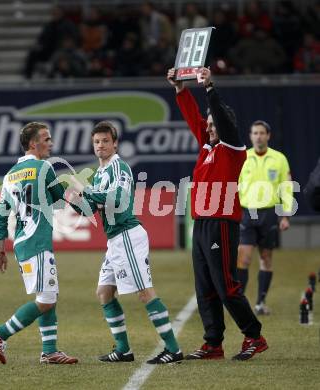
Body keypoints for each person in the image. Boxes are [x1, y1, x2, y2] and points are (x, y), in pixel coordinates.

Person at [167, 67, 267, 361]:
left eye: (213, 125)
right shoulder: (207, 148)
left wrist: (209, 88)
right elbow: (193, 118)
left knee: (226, 285)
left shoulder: (233, 149)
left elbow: (219, 119)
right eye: (208, 126)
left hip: (222, 223)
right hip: (201, 224)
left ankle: (254, 336)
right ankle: (213, 343)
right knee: (205, 287)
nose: (208, 128)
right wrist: (181, 90)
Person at [69, 121, 183, 364]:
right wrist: (73, 200)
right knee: (104, 293)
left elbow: (117, 198)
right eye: (97, 142)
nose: (101, 146)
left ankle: (173, 349)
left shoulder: (119, 167)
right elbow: (92, 208)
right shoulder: (100, 173)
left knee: (144, 292)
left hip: (127, 236)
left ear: (115, 143)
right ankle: (123, 350)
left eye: (105, 141)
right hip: (115, 240)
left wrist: (86, 191)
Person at [0, 122, 78, 365]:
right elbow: (61, 197)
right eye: (46, 139)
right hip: (37, 241)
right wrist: (87, 197)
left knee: (48, 294)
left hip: (22, 243)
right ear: (33, 144)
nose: (51, 143)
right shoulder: (43, 167)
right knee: (46, 299)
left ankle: (49, 351)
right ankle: (1, 333)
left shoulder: (9, 176)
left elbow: (1, 216)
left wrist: (0, 250)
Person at [237, 121, 292, 315]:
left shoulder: (279, 159)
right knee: (243, 258)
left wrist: (285, 215)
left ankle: (260, 302)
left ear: (268, 135)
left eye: (262, 133)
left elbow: (286, 188)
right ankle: (240, 304)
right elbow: (234, 185)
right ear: (250, 136)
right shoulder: (243, 157)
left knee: (266, 258)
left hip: (268, 214)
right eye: (255, 133)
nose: (258, 136)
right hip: (246, 213)